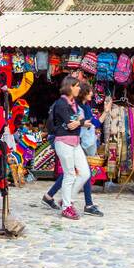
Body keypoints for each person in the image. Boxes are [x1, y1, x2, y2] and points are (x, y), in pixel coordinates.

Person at [46, 76, 89, 220]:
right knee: (70, 174)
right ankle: (66, 206)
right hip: (63, 142)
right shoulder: (61, 104)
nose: (79, 89)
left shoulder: (74, 104)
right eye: (76, 86)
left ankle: (67, 199)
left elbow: (76, 122)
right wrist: (82, 122)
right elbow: (71, 124)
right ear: (70, 87)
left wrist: (79, 122)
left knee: (85, 173)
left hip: (75, 142)